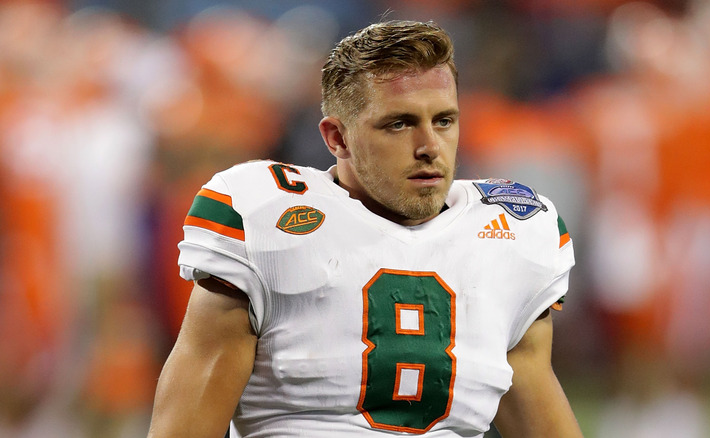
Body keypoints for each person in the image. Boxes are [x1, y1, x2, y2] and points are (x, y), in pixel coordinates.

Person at [147, 19, 582, 438]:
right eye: (400, 123)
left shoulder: (513, 230)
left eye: (444, 121)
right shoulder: (264, 218)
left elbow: (535, 401)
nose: (430, 147)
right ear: (337, 138)